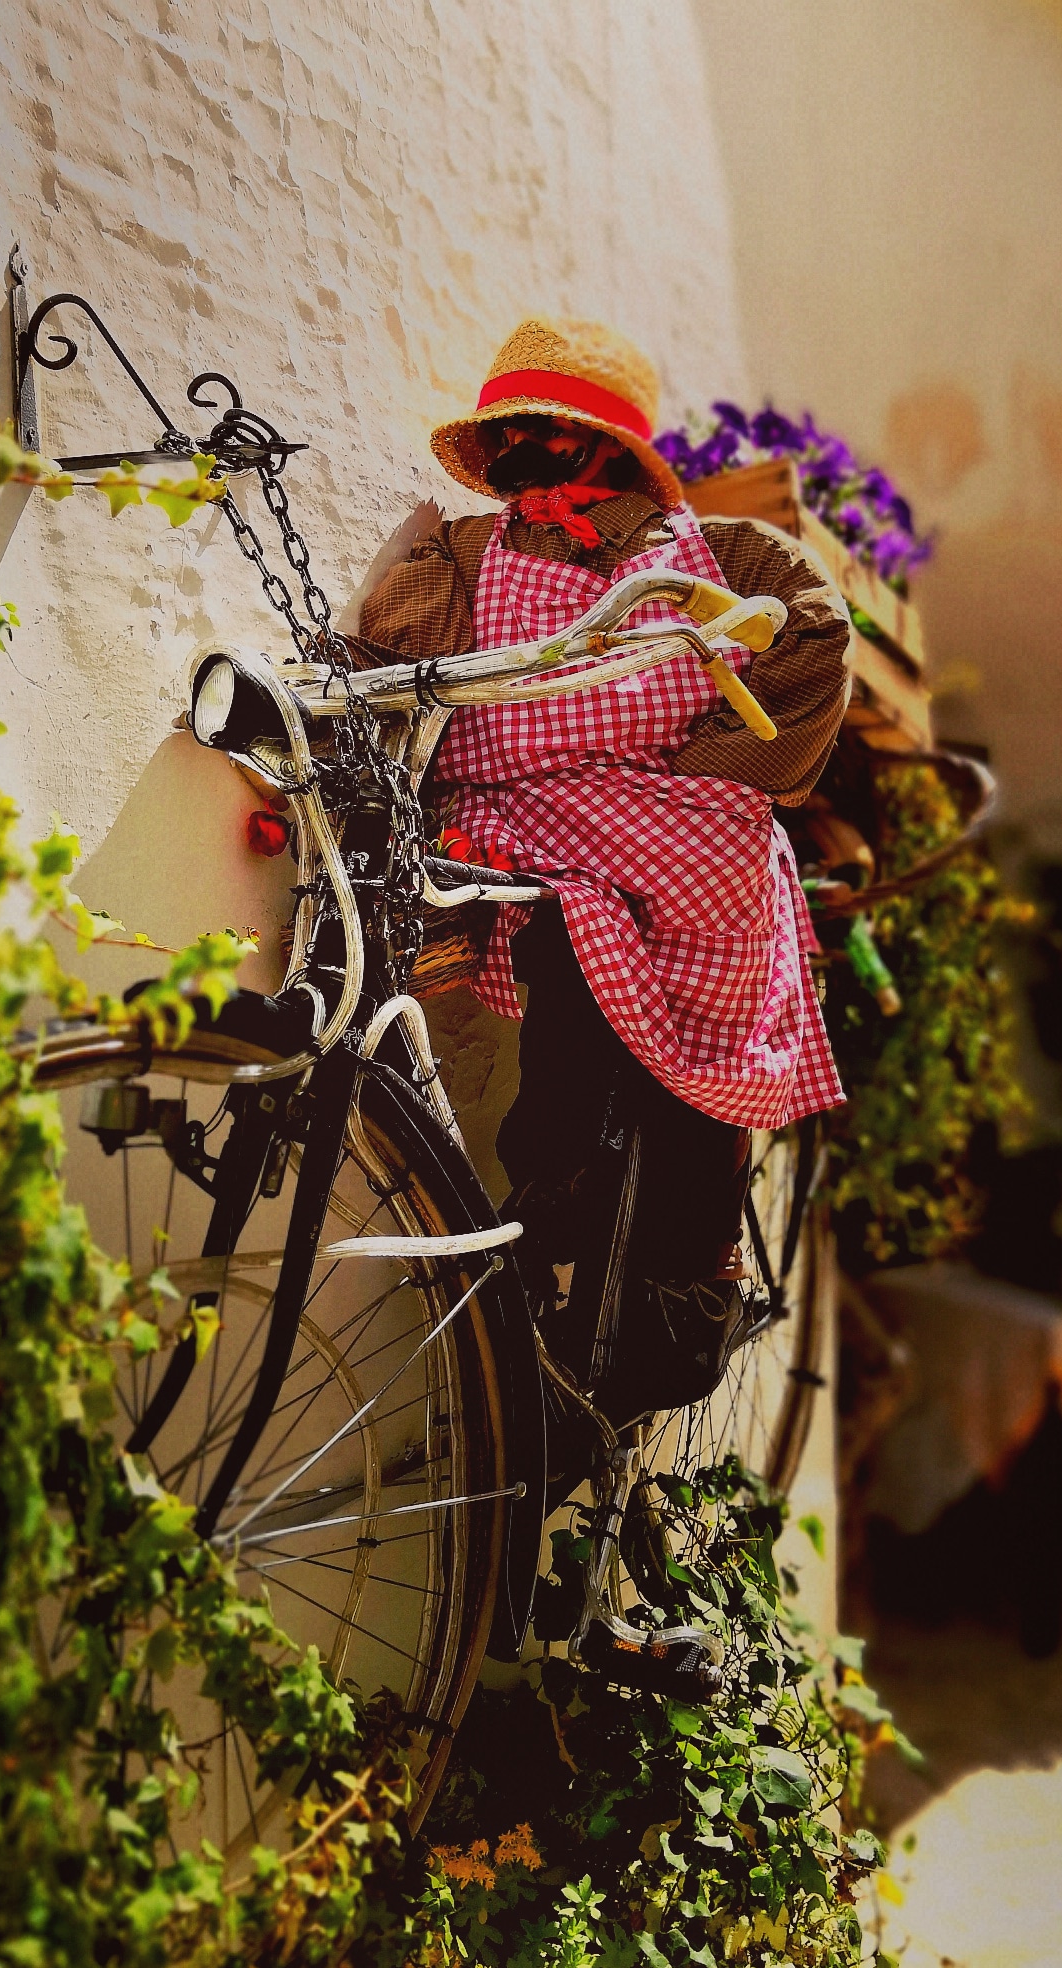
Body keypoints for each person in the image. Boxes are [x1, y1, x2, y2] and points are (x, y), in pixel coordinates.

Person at [348, 316, 850, 1432]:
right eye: (511, 433)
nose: (526, 454)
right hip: (532, 816)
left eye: (550, 433)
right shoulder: (468, 552)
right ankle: (554, 1209)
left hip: (666, 820)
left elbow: (815, 628)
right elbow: (401, 663)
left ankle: (688, 1261)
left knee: (715, 912)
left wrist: (703, 768)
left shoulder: (711, 552)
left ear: (608, 449)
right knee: (568, 1012)